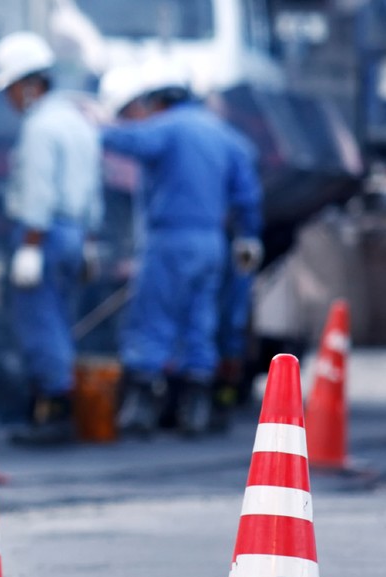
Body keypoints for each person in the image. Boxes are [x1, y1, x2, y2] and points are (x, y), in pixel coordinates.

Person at [102, 61, 263, 437]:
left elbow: (129, 141)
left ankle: (141, 409)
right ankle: (196, 408)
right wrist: (249, 235)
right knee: (200, 321)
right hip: (211, 243)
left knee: (152, 319)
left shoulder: (168, 127)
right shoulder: (225, 135)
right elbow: (248, 192)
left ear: (159, 99)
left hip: (170, 239)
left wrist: (93, 127)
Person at [0, 31, 103, 445]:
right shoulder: (77, 121)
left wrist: (31, 246)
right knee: (60, 320)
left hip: (45, 234)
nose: (9, 100)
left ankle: (55, 412)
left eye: (11, 89)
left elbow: (38, 190)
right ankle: (54, 407)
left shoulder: (39, 127)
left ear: (30, 84)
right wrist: (89, 240)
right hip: (75, 233)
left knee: (39, 322)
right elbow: (93, 189)